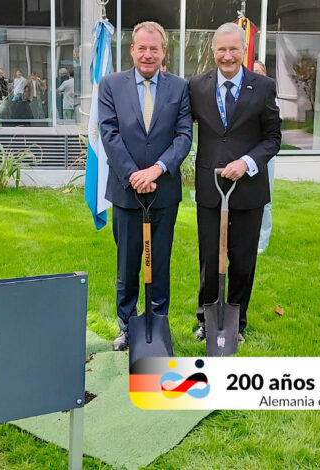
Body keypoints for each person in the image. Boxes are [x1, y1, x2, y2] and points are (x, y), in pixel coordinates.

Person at [99, 21, 192, 351]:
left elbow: (184, 136)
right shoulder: (110, 85)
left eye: (155, 48)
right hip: (126, 193)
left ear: (164, 51)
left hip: (164, 193)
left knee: (160, 262)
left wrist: (156, 170)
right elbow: (109, 134)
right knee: (127, 264)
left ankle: (157, 325)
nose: (148, 54)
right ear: (132, 50)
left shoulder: (179, 88)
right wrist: (134, 176)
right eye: (142, 47)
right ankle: (127, 326)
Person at [188, 23, 281, 343]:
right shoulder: (197, 86)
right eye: (221, 49)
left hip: (249, 189)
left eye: (233, 49)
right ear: (212, 51)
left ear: (244, 50)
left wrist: (247, 163)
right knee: (210, 258)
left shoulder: (264, 86)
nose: (227, 56)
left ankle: (237, 321)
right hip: (211, 187)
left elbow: (273, 139)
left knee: (242, 259)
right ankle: (206, 319)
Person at [252, 59, 276, 254]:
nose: (255, 74)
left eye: (259, 72)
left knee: (265, 199)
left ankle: (262, 241)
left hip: (265, 156)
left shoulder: (268, 93)